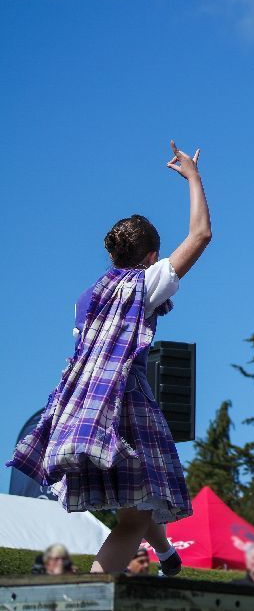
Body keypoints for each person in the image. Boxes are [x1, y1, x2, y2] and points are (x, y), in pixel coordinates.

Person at [8, 141, 212, 576]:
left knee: (140, 495)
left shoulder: (87, 297)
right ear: (151, 256)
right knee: (136, 514)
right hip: (122, 405)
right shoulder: (144, 285)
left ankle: (168, 556)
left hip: (78, 408)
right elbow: (200, 236)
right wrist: (193, 177)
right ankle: (90, 595)